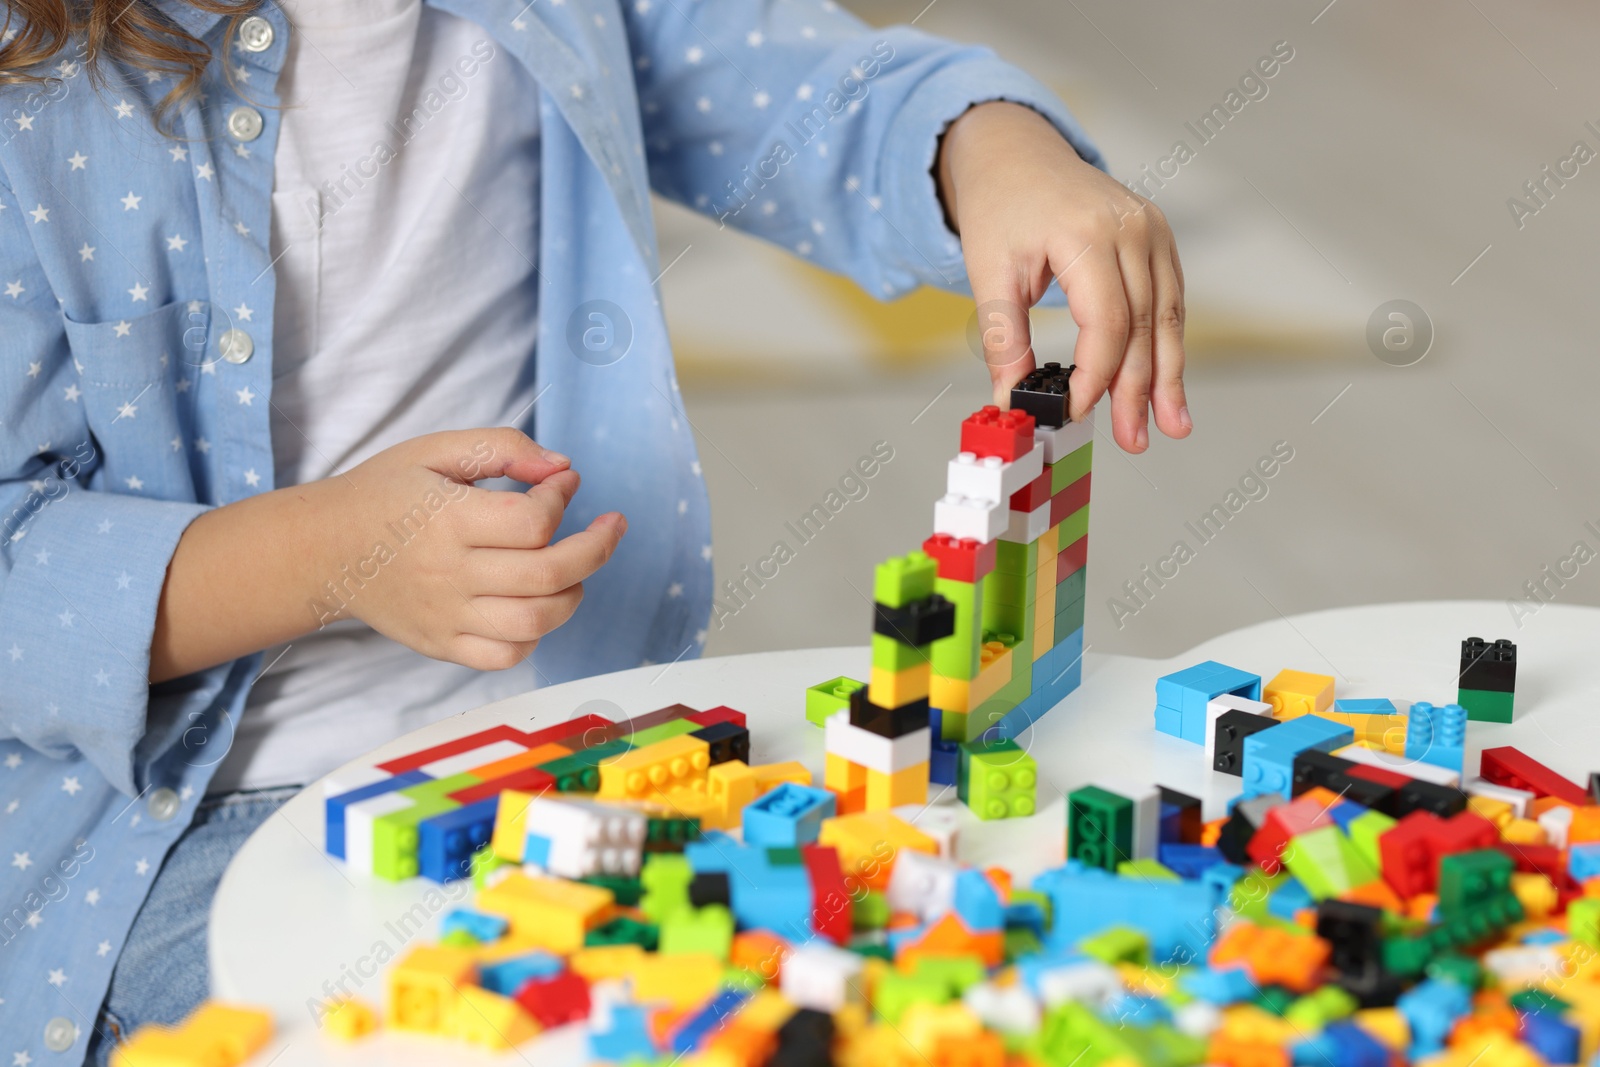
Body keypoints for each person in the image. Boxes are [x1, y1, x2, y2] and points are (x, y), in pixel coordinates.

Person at [0, 0, 1189, 1057]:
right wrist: (333, 558)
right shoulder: (30, 95)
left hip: (573, 745)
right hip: (187, 827)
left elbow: (779, 82)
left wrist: (986, 144)